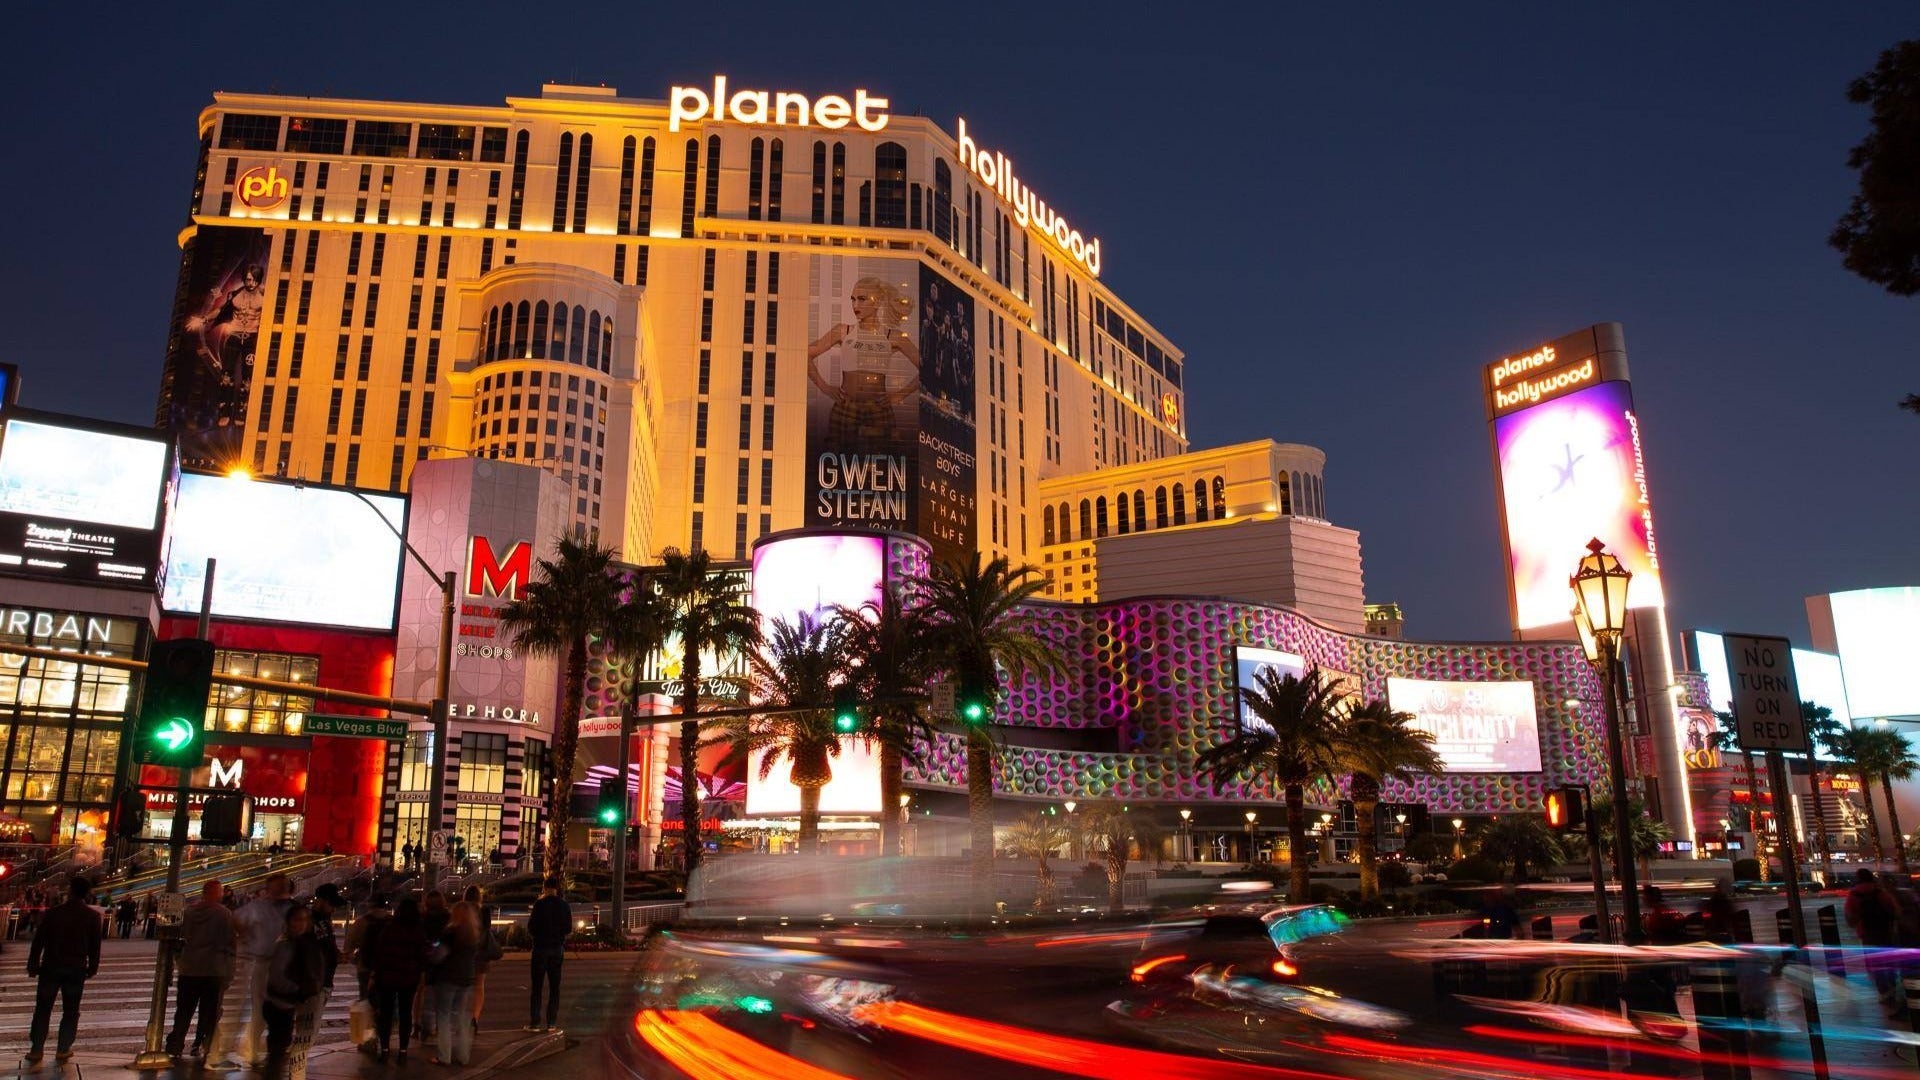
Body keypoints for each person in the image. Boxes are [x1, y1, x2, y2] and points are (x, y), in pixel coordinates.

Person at [214, 872, 292, 1066]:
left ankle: (254, 1048)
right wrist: (247, 939)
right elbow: (237, 920)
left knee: (271, 1009)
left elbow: (237, 920)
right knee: (261, 1008)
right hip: (265, 961)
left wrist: (246, 938)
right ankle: (252, 1048)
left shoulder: (279, 907)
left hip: (280, 964)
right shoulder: (264, 907)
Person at [26, 877, 102, 1064]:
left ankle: (37, 1049)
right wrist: (93, 967)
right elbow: (95, 946)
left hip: (51, 966)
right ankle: (63, 1048)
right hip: (76, 969)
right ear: (86, 893)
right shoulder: (92, 916)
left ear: (70, 891)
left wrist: (33, 965)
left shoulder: (54, 913)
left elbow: (39, 942)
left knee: (43, 1009)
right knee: (71, 1011)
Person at [168, 879, 238, 1058]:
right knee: (209, 1012)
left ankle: (176, 1044)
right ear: (216, 893)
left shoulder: (189, 912)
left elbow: (178, 939)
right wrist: (229, 972)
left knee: (183, 1010)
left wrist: (179, 961)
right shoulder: (224, 914)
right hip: (213, 970)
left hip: (189, 968)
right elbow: (230, 944)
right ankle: (204, 1044)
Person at [262, 906, 325, 1080]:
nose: (300, 924)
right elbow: (277, 977)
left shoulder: (302, 942)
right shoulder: (285, 944)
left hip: (286, 1003)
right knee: (278, 1050)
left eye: (304, 920)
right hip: (279, 1003)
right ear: (288, 922)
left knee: (280, 1048)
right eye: (296, 920)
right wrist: (298, 991)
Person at [369, 897, 428, 1063]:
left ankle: (386, 1050)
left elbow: (379, 955)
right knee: (405, 1013)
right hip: (409, 977)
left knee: (385, 1014)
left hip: (387, 977)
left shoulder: (389, 929)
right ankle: (403, 1051)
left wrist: (374, 976)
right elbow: (422, 957)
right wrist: (421, 974)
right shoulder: (418, 931)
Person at [429, 901, 482, 1066]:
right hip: (466, 978)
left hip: (447, 978)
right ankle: (464, 1056)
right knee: (461, 1016)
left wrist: (431, 953)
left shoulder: (450, 932)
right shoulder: (473, 934)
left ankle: (444, 1056)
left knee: (443, 1016)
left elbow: (439, 955)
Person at [1845, 868, 1902, 1005]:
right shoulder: (1880, 892)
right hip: (1885, 932)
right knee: (1889, 962)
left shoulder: (1854, 895)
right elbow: (1895, 911)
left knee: (1875, 964)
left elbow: (1850, 918)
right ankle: (1892, 989)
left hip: (1868, 934)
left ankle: (1884, 992)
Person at [527, 877, 570, 1032]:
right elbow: (568, 928)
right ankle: (551, 1022)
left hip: (540, 948)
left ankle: (535, 1023)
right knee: (554, 987)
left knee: (537, 987)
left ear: (545, 887)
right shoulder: (564, 905)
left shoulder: (539, 904)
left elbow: (531, 927)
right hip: (556, 949)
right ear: (557, 888)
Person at [465, 885, 501, 1032]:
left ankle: (462, 1017)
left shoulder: (463, 910)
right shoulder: (484, 911)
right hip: (482, 954)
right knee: (479, 987)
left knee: (464, 987)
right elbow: (487, 930)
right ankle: (475, 1018)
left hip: (466, 953)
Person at [346, 894, 392, 1000]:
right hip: (389, 969)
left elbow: (348, 949)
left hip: (365, 967)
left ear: (370, 905)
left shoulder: (360, 922)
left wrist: (356, 960)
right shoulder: (394, 922)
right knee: (387, 1003)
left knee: (365, 1001)